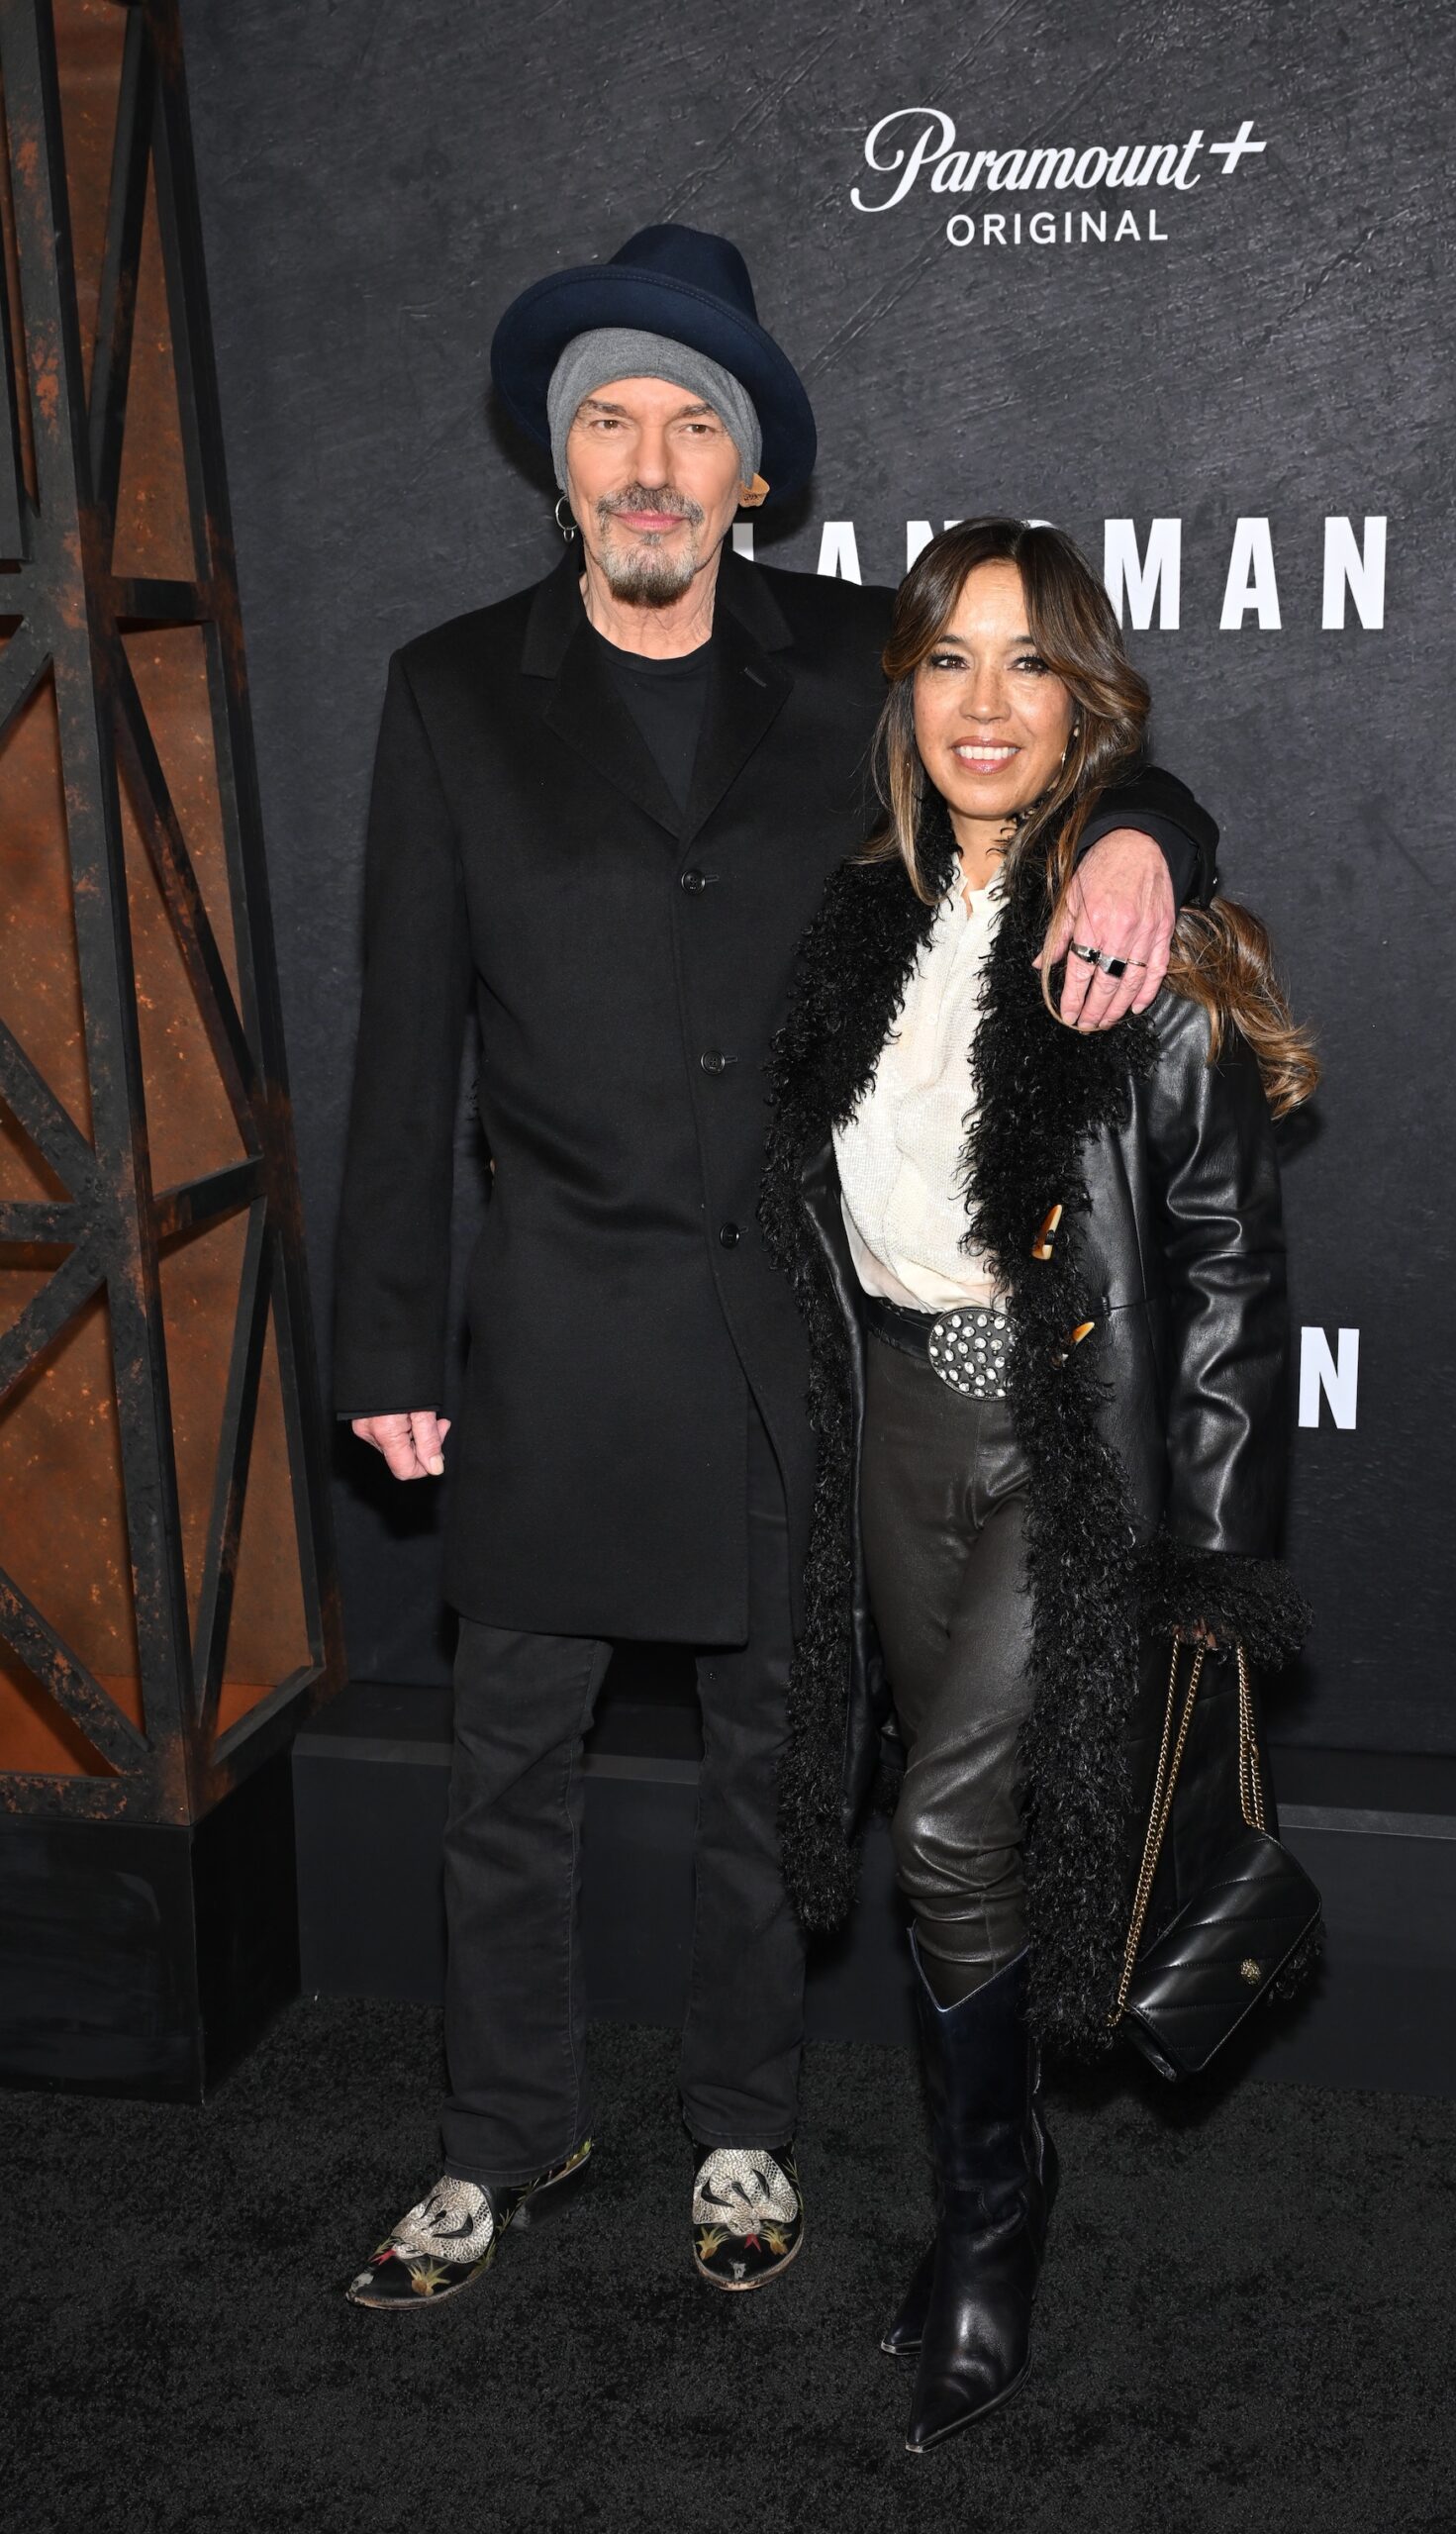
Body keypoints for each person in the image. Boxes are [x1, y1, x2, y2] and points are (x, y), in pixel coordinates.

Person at [334, 226, 1222, 2310]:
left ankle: (743, 2122)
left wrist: (1146, 839)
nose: (648, 462)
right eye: (609, 424)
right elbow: (400, 1038)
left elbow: (1076, 753)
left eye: (692, 424)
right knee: (504, 1777)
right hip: (553, 1317)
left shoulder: (855, 669)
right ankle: (499, 2130)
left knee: (776, 1761)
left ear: (753, 474)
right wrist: (387, 1323)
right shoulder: (451, 691)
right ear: (560, 471)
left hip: (783, 1325)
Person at [760, 517, 1316, 2447]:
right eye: (946, 660)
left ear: (1085, 700)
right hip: (894, 1420)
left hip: (1050, 1445)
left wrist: (1213, 1557)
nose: (983, 704)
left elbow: (1231, 1261)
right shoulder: (853, 924)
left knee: (934, 1836)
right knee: (952, 1860)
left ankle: (990, 2231)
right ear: (900, 692)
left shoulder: (1130, 936)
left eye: (1026, 664)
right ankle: (990, 2182)